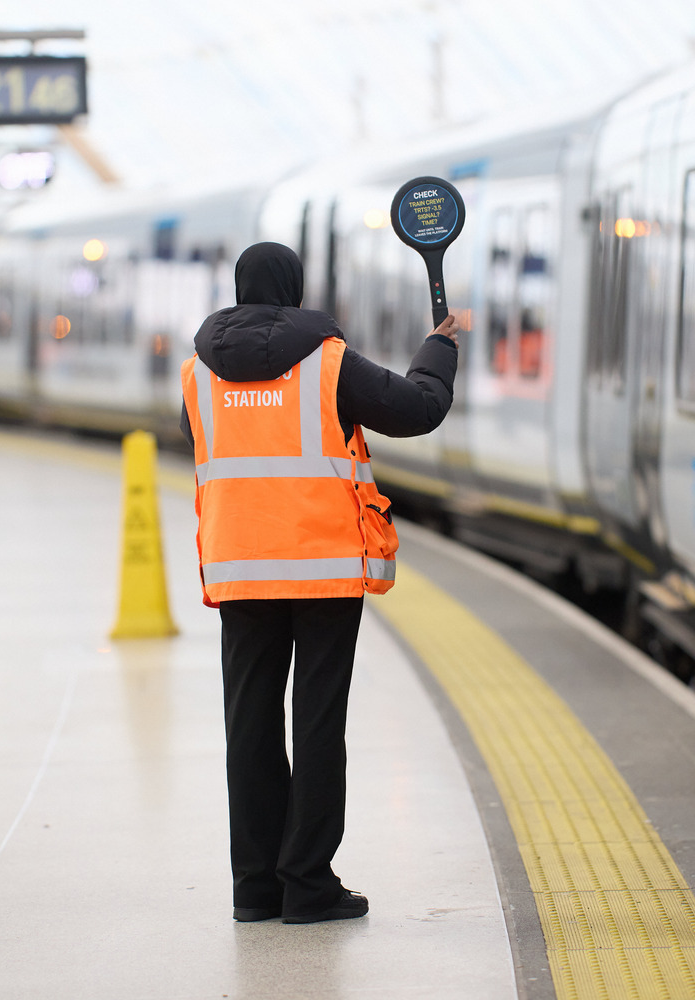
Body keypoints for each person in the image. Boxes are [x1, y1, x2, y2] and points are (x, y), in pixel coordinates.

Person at [179, 242, 459, 924]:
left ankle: (255, 888)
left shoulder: (197, 372)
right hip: (323, 567)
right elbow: (417, 409)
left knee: (249, 723)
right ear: (294, 291)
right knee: (317, 723)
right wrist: (439, 349)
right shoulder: (327, 361)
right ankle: (307, 884)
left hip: (241, 566)